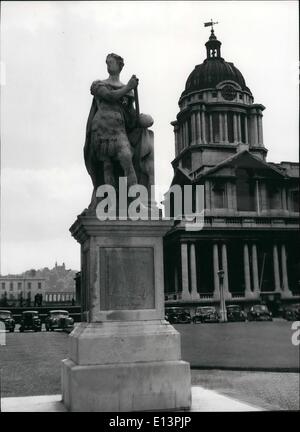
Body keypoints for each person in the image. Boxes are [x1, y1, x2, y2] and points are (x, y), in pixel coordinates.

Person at [84, 53, 154, 212]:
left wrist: (142, 119)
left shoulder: (127, 92)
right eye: (106, 62)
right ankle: (110, 204)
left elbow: (131, 115)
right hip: (101, 129)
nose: (108, 65)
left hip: (119, 129)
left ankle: (137, 203)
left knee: (127, 160)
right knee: (107, 166)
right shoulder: (99, 85)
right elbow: (109, 96)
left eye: (111, 62)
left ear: (119, 65)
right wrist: (129, 87)